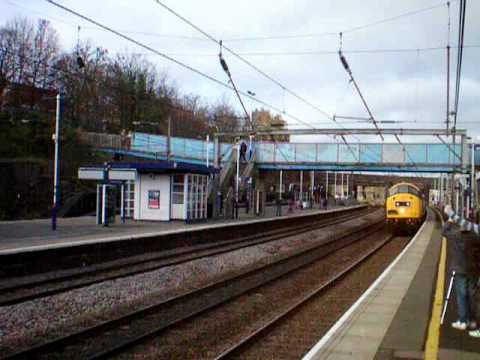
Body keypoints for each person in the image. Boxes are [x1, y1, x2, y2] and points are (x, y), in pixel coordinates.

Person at [443, 208, 477, 331]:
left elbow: (444, 231)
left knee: (462, 295)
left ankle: (463, 321)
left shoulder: (454, 236)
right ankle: (472, 321)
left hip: (460, 270)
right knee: (472, 295)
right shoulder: (475, 237)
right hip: (474, 270)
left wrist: (450, 220)